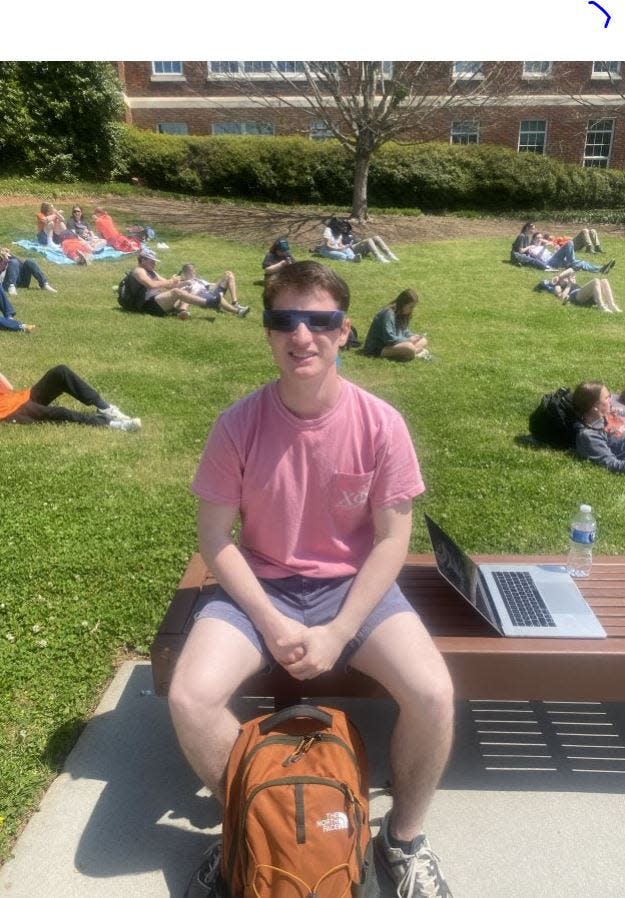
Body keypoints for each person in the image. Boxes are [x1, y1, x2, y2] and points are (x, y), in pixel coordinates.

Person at [169, 261, 454, 898]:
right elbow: (216, 539)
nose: (303, 334)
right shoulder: (236, 425)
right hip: (261, 588)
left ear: (345, 331)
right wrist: (271, 622)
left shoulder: (381, 424)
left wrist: (339, 629)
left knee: (433, 693)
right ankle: (250, 827)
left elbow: (391, 540)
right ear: (268, 333)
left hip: (353, 587)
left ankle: (401, 841)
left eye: (320, 320)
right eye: (284, 320)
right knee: (190, 699)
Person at [0, 364, 140, 429]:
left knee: (60, 372)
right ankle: (113, 424)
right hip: (10, 411)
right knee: (59, 412)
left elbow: (9, 388)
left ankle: (105, 408)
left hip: (20, 397)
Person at [127, 248, 218, 319]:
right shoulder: (138, 271)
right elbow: (151, 284)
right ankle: (209, 302)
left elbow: (168, 285)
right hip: (147, 305)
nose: (154, 264)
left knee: (185, 290)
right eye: (152, 261)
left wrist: (184, 283)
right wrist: (171, 281)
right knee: (176, 292)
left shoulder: (152, 272)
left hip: (157, 301)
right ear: (143, 261)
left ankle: (181, 311)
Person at [363, 289, 431, 361]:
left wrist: (413, 336)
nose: (412, 310)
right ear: (403, 304)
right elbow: (389, 339)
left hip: (393, 344)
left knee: (423, 340)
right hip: (379, 348)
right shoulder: (388, 314)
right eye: (410, 307)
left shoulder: (401, 314)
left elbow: (403, 331)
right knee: (409, 347)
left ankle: (412, 352)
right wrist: (409, 340)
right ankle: (414, 352)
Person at [572, 382, 625, 473]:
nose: (611, 400)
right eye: (607, 398)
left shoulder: (606, 414)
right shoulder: (589, 436)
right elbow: (613, 465)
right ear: (595, 407)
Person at [517, 233, 614, 273]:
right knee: (570, 243)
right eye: (537, 238)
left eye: (540, 237)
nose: (539, 239)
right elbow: (537, 257)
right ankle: (571, 261)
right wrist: (545, 247)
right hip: (549, 263)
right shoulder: (532, 247)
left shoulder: (542, 245)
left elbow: (552, 252)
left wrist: (556, 249)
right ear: (533, 239)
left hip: (555, 259)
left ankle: (601, 269)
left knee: (581, 262)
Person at [178, 263, 249, 317]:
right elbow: (181, 293)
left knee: (229, 274)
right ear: (185, 273)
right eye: (190, 271)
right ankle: (238, 312)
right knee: (219, 297)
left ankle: (235, 302)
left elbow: (211, 286)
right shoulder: (183, 282)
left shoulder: (198, 280)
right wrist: (184, 282)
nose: (193, 272)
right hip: (202, 296)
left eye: (194, 270)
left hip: (210, 291)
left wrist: (221, 279)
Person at [536, 268, 622, 313]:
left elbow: (571, 269)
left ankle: (612, 305)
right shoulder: (557, 286)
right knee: (596, 280)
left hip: (581, 292)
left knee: (604, 280)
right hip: (575, 296)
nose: (567, 278)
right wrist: (569, 284)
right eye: (564, 278)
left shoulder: (564, 279)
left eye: (567, 277)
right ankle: (601, 306)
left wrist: (559, 276)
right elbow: (561, 297)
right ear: (560, 281)